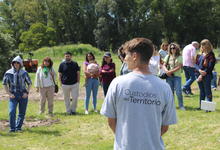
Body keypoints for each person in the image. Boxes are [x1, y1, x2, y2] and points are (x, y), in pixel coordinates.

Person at [101, 38, 177, 150]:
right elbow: (165, 127)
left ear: (135, 56)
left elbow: (111, 121)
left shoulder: (117, 83)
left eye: (126, 55)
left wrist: (126, 139)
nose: (125, 59)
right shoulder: (164, 87)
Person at [2, 56, 32, 132]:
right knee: (12, 112)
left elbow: (29, 83)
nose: (16, 64)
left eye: (18, 62)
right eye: (14, 62)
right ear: (12, 63)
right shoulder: (8, 73)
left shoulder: (24, 73)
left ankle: (18, 128)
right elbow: (4, 84)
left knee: (22, 113)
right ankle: (12, 129)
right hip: (13, 95)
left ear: (20, 64)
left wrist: (27, 93)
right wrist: (9, 94)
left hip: (23, 95)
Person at [195, 39, 216, 109]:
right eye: (202, 45)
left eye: (204, 45)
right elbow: (195, 64)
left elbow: (210, 66)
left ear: (207, 46)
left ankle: (208, 108)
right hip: (198, 74)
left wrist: (203, 73)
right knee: (202, 91)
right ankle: (201, 107)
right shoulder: (199, 54)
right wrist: (199, 70)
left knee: (208, 91)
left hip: (207, 75)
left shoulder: (211, 55)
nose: (202, 46)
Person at [163, 43, 185, 110]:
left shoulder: (180, 57)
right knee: (170, 92)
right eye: (171, 48)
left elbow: (179, 67)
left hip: (177, 77)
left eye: (174, 48)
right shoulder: (168, 56)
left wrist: (170, 72)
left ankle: (181, 106)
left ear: (177, 49)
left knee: (178, 92)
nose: (172, 49)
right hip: (169, 77)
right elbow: (163, 65)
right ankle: (171, 106)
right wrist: (167, 71)